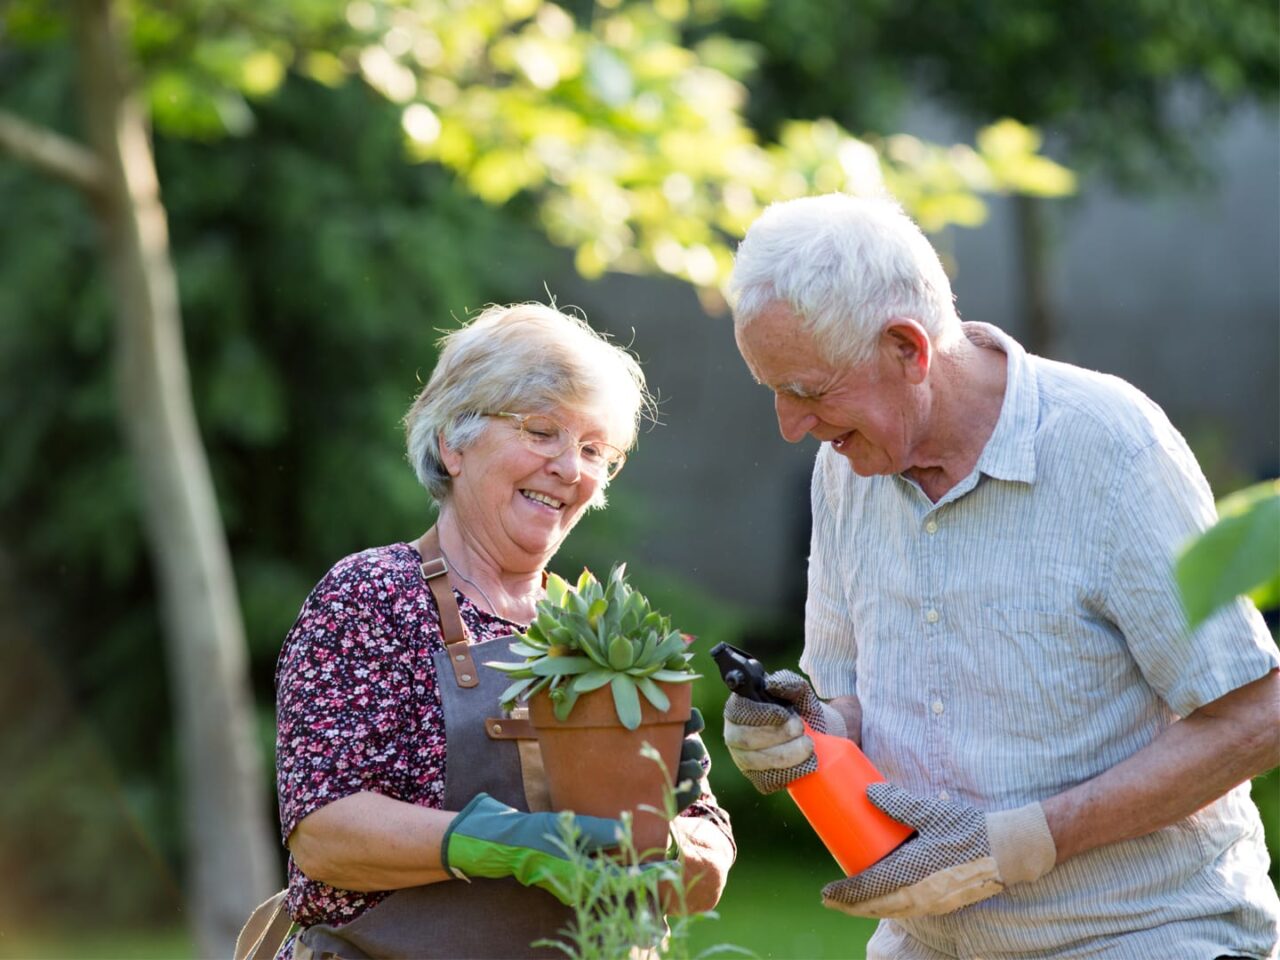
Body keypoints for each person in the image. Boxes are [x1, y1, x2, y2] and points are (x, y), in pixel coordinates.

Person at [719, 193, 1280, 959]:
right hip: (927, 941)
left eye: (809, 391)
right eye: (774, 391)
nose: (791, 425)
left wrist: (1026, 840)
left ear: (907, 350)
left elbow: (1255, 714)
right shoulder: (844, 470)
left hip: (1142, 934)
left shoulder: (1108, 446)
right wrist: (801, 732)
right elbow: (852, 706)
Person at [272, 303, 736, 959]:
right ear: (452, 443)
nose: (571, 469)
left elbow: (703, 855)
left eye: (594, 449)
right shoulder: (372, 598)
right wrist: (509, 842)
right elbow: (325, 833)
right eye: (543, 431)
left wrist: (680, 839)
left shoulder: (605, 629)